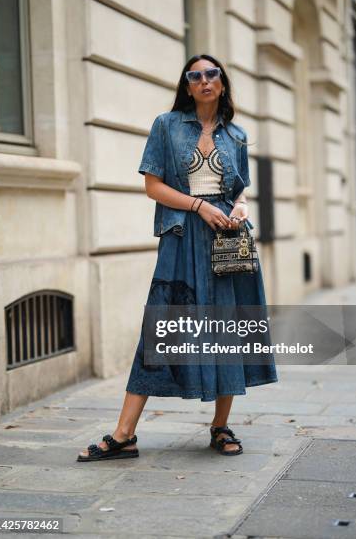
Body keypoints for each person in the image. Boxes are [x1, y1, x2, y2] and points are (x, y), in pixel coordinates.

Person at [77, 54, 278, 462]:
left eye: (212, 74)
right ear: (187, 86)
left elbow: (239, 190)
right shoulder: (166, 126)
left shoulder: (237, 135)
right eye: (195, 76)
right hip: (182, 238)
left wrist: (239, 208)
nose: (204, 81)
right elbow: (153, 186)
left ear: (222, 83)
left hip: (227, 242)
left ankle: (220, 427)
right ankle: (124, 434)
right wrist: (199, 206)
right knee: (162, 329)